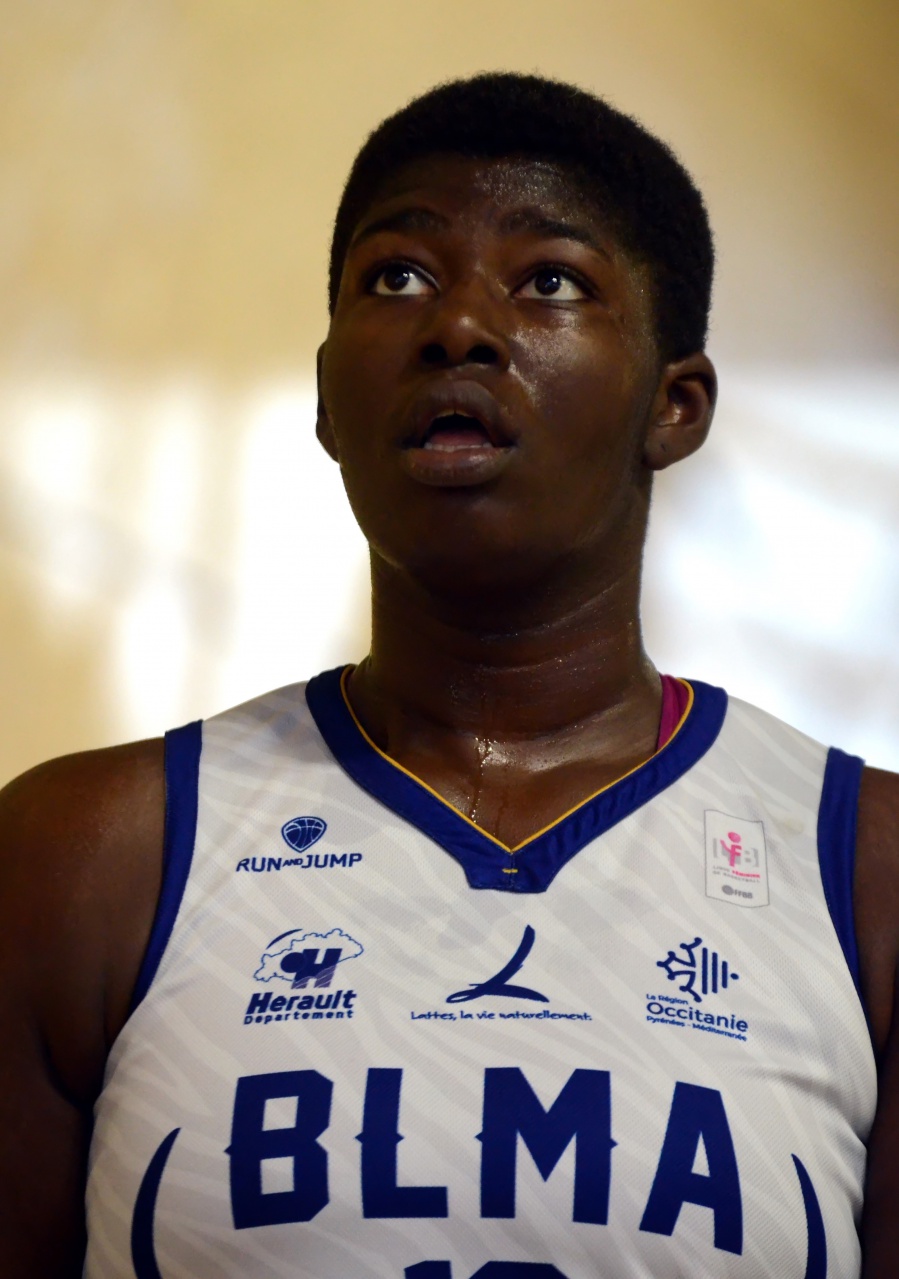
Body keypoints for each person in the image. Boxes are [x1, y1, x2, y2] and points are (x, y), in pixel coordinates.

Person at [0, 71, 896, 1279]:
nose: (457, 326)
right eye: (398, 278)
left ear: (674, 406)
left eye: (550, 282)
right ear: (327, 398)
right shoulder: (87, 856)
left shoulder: (863, 872)